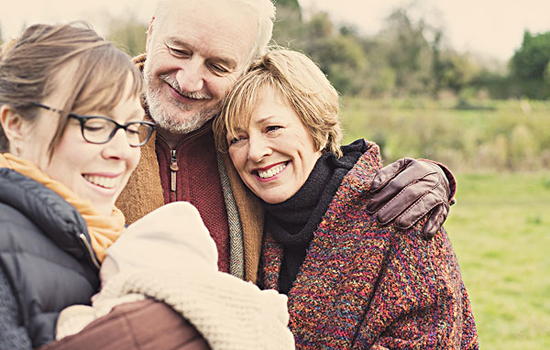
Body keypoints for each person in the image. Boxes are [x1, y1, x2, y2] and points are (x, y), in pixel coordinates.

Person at [115, 0, 457, 284]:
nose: (189, 80)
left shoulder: (246, 144)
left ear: (246, 69)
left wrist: (430, 177)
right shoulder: (85, 128)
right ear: (151, 32)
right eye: (178, 49)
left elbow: (323, 171)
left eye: (218, 66)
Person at [0, 23, 291, 350]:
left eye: (131, 128)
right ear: (16, 126)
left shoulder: (115, 243)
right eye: (96, 124)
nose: (122, 151)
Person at [212, 48, 479, 349]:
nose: (256, 152)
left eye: (272, 128)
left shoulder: (398, 211)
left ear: (315, 126)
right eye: (238, 138)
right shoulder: (247, 223)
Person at [55, 202, 294, 350]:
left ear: (139, 282)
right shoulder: (249, 315)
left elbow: (76, 338)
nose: (98, 297)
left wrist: (72, 315)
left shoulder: (132, 319)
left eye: (108, 283)